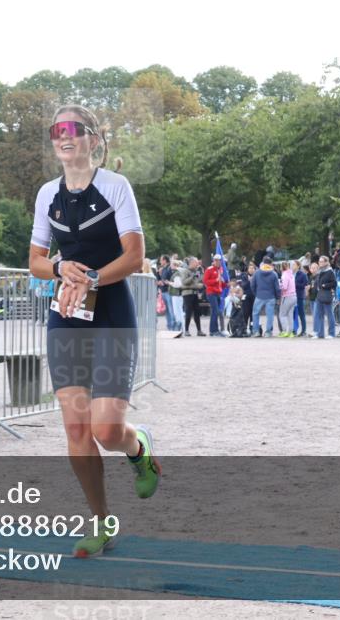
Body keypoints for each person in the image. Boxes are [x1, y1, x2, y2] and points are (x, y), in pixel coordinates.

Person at [28, 103, 160, 559]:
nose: (64, 136)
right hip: (66, 315)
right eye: (56, 131)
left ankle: (138, 447)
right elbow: (36, 261)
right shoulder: (47, 194)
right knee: (76, 428)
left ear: (93, 138)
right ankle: (102, 522)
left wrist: (93, 279)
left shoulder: (115, 186)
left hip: (112, 313)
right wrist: (60, 268)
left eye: (73, 129)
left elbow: (134, 256)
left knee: (106, 429)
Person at [251, 257, 281, 337]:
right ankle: (268, 332)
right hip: (271, 297)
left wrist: (256, 293)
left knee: (255, 314)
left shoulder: (257, 272)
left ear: (263, 263)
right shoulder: (274, 274)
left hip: (259, 296)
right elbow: (277, 288)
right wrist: (278, 297)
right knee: (270, 315)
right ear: (270, 264)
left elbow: (252, 285)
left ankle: (256, 331)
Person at [177, 257, 205, 337]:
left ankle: (199, 330)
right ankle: (186, 330)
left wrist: (201, 274)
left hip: (195, 293)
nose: (197, 264)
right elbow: (184, 282)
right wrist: (192, 276)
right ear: (191, 263)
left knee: (197, 312)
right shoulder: (185, 271)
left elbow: (199, 281)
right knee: (188, 312)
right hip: (187, 294)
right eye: (196, 263)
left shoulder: (195, 271)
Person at [312, 256, 337, 339]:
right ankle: (320, 333)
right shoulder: (320, 271)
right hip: (319, 295)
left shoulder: (330, 271)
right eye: (319, 261)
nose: (320, 263)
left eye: (322, 261)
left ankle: (331, 333)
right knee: (319, 315)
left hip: (326, 295)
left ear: (326, 262)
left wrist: (324, 285)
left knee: (330, 315)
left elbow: (334, 283)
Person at [203, 254, 226, 337]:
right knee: (215, 311)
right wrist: (216, 280)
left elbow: (220, 284)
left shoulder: (220, 270)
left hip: (218, 293)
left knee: (215, 312)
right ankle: (214, 330)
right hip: (211, 292)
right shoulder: (209, 269)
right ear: (213, 261)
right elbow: (205, 281)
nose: (217, 262)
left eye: (219, 260)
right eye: (216, 260)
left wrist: (224, 283)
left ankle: (214, 330)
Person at [156, 255, 178, 332]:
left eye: (161, 260)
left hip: (168, 292)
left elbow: (170, 279)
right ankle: (169, 327)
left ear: (165, 260)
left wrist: (163, 282)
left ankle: (174, 327)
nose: (160, 262)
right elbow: (162, 279)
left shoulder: (169, 268)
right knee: (167, 310)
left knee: (171, 310)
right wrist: (158, 274)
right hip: (164, 291)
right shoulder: (163, 269)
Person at [278, 261, 297, 338]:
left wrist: (279, 284)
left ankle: (284, 331)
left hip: (287, 296)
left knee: (282, 315)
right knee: (290, 315)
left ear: (282, 267)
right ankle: (291, 332)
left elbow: (284, 287)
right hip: (294, 296)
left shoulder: (284, 275)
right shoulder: (291, 274)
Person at [293, 260, 309, 337]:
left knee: (301, 314)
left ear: (298, 266)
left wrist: (295, 284)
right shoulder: (290, 274)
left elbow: (305, 284)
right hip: (292, 296)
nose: (292, 266)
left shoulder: (302, 274)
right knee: (293, 314)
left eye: (294, 265)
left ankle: (303, 330)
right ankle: (294, 330)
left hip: (299, 296)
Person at [242, 262, 257, 336]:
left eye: (253, 268)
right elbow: (243, 286)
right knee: (245, 313)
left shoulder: (256, 276)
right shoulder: (244, 276)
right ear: (247, 269)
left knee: (253, 314)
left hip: (254, 297)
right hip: (246, 297)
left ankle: (252, 329)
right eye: (250, 268)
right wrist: (249, 281)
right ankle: (244, 329)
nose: (251, 270)